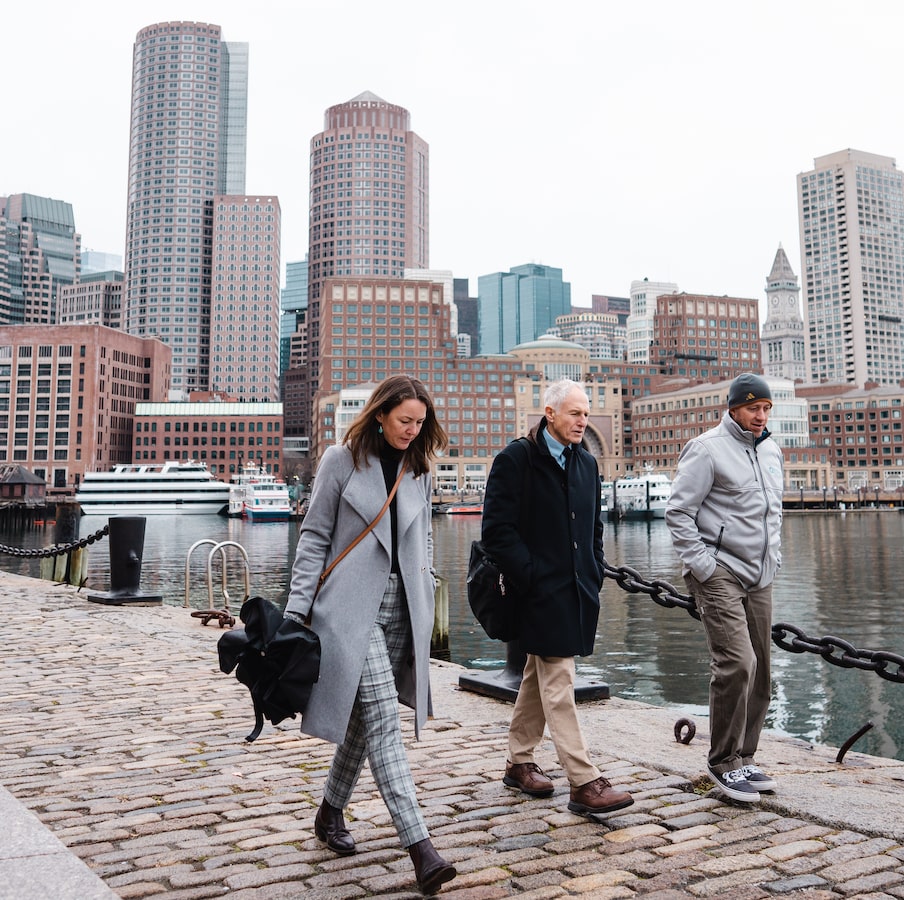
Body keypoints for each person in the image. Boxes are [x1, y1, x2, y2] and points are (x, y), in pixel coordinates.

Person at [283, 374, 457, 895]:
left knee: (364, 720)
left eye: (420, 422)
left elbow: (422, 536)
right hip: (350, 611)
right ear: (380, 414)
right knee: (383, 720)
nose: (412, 429)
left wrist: (425, 592)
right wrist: (296, 611)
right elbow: (313, 536)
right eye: (405, 420)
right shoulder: (341, 460)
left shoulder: (419, 467)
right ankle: (420, 848)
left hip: (404, 611)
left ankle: (329, 811)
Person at [481, 378, 634, 816]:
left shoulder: (586, 464)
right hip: (536, 592)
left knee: (539, 673)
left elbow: (594, 528)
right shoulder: (517, 459)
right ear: (549, 414)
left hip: (577, 590)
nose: (583, 420)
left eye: (586, 413)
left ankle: (519, 761)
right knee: (559, 679)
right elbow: (496, 530)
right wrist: (529, 574)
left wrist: (594, 568)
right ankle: (584, 781)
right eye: (575, 413)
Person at [665, 373, 783, 803]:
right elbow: (678, 512)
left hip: (761, 574)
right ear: (733, 408)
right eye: (754, 408)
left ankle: (744, 757)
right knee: (737, 662)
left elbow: (773, 514)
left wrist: (775, 558)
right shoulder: (707, 449)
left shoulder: (771, 449)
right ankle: (721, 762)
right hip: (720, 572)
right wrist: (703, 566)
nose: (761, 415)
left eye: (767, 408)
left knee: (763, 671)